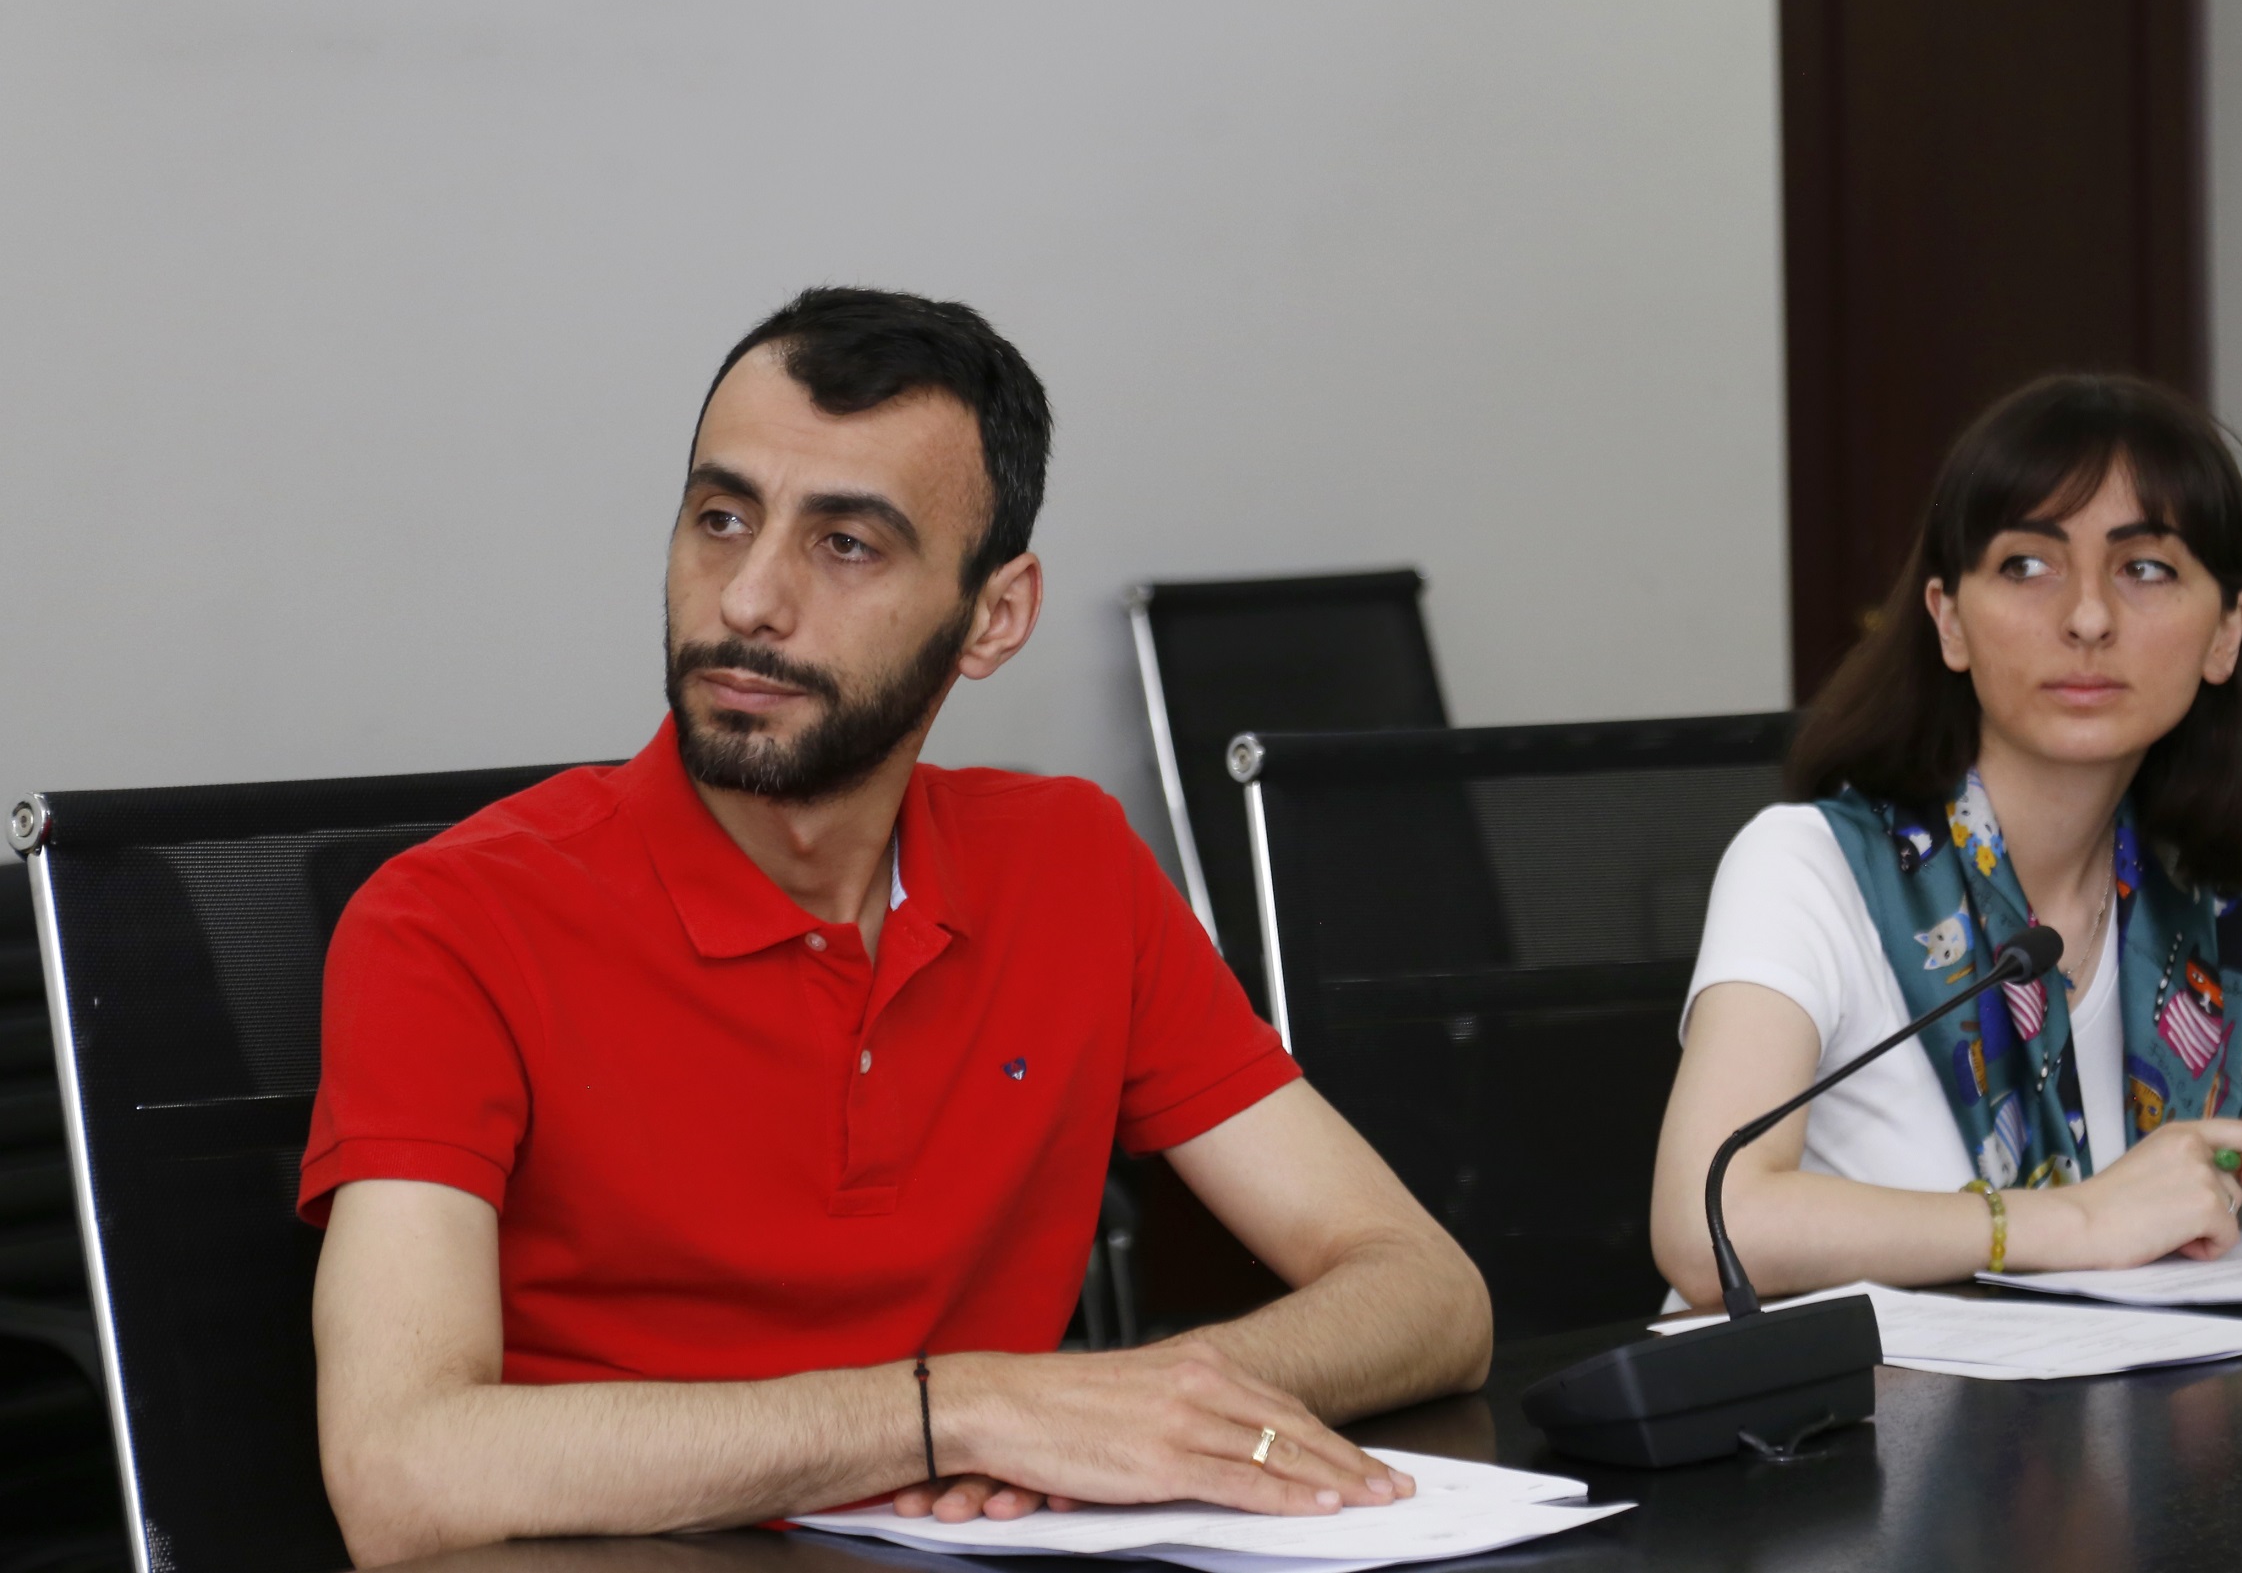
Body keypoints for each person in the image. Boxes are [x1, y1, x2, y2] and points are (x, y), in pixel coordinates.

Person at [303, 289, 1493, 1566]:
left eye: (846, 544)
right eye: (721, 518)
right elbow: (399, 1470)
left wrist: (1137, 1410)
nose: (747, 599)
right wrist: (960, 1411)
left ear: (994, 616)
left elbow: (1427, 1292)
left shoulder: (1071, 865)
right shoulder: (449, 920)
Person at [1651, 373, 2242, 1305]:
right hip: (1839, 1401)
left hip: (2131, 1390)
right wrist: (2077, 1222)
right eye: (2027, 565)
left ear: (2225, 634)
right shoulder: (1810, 868)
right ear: (1948, 620)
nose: (2088, 617)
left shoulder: (2205, 898)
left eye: (2144, 568)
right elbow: (1706, 1224)